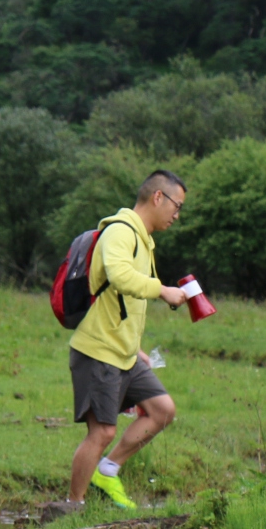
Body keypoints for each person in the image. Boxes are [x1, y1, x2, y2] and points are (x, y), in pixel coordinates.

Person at [64, 170, 191, 510]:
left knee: (162, 411)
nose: (177, 216)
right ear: (158, 198)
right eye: (177, 206)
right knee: (102, 432)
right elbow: (120, 278)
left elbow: (122, 304)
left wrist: (136, 348)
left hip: (124, 353)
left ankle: (108, 469)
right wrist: (163, 290)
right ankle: (71, 507)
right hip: (98, 351)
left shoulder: (143, 239)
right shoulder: (120, 232)